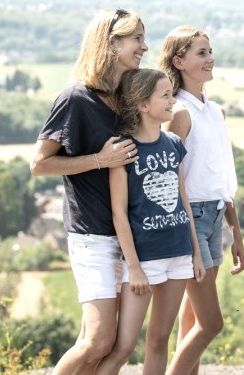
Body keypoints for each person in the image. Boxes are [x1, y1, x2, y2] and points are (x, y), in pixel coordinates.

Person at [30, 8, 147, 375]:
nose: (145, 46)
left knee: (105, 347)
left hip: (128, 235)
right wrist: (99, 159)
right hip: (91, 235)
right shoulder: (75, 99)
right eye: (137, 39)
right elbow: (39, 164)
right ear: (110, 43)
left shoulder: (126, 99)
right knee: (97, 341)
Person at [94, 68, 206, 374]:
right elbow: (119, 212)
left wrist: (194, 253)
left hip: (179, 255)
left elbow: (183, 201)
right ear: (143, 105)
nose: (173, 100)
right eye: (165, 95)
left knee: (159, 340)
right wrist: (133, 267)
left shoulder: (172, 143)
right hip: (144, 261)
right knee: (124, 347)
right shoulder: (124, 149)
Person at [157, 26, 244, 375]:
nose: (210, 59)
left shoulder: (216, 111)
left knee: (192, 320)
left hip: (215, 217)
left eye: (210, 51)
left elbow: (223, 178)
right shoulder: (178, 113)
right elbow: (172, 178)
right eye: (201, 53)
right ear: (179, 61)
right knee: (212, 324)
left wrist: (236, 232)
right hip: (190, 219)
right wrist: (191, 242)